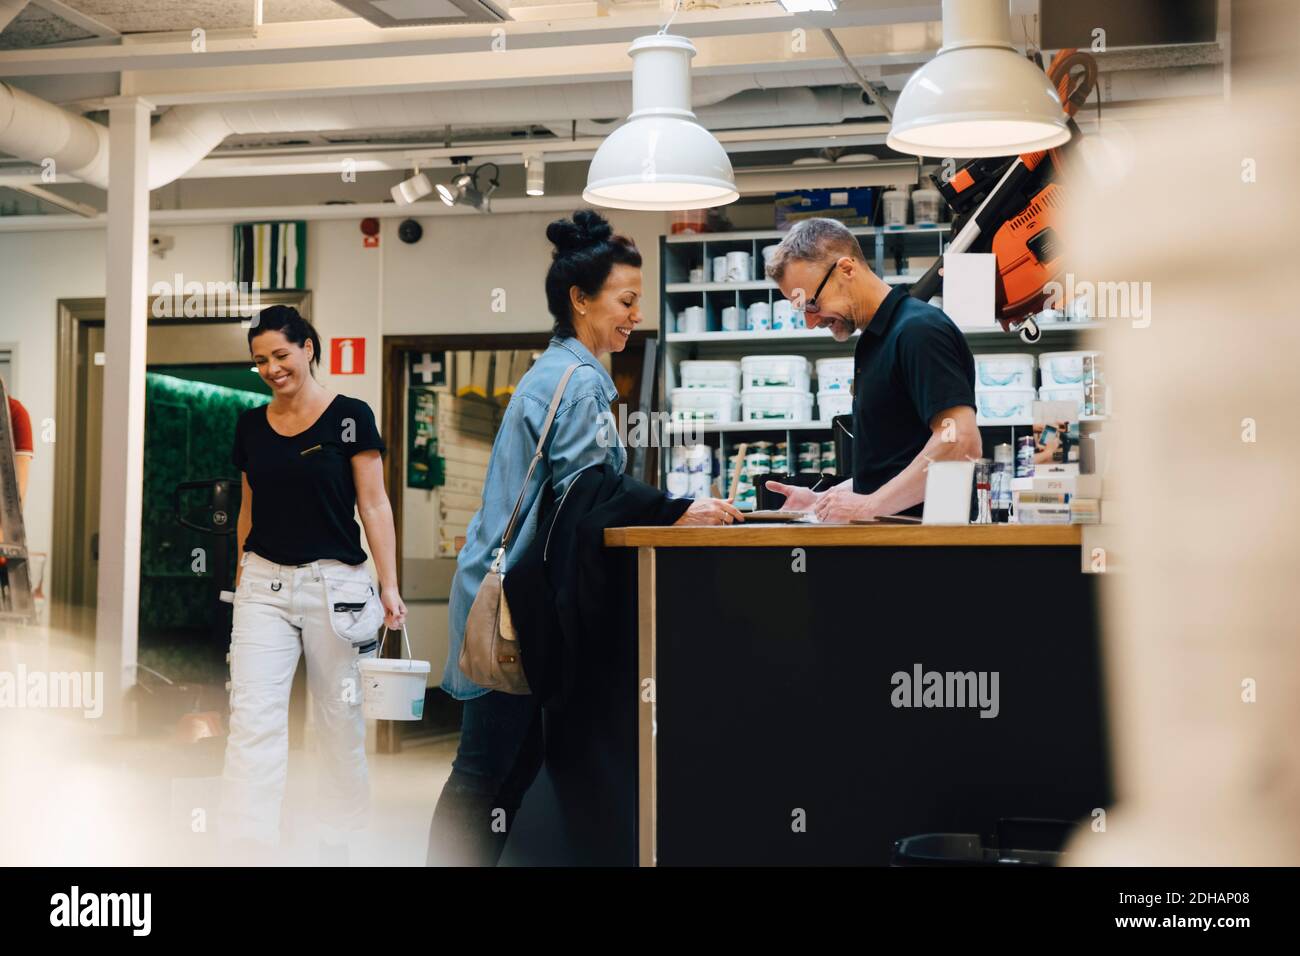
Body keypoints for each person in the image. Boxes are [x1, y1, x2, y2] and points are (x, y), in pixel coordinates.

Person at [428, 209, 742, 867]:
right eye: (626, 301)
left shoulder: (562, 372)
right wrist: (677, 509)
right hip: (513, 604)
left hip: (504, 587)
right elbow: (588, 492)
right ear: (579, 298)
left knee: (500, 771)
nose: (634, 315)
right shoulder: (576, 382)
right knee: (487, 770)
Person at [220, 305, 406, 865]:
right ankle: (248, 844)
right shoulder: (251, 424)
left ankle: (341, 839)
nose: (272, 368)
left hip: (339, 586)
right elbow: (248, 510)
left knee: (337, 719)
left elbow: (373, 504)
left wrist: (390, 586)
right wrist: (241, 577)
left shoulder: (349, 417)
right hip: (263, 586)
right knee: (252, 717)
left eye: (281, 354)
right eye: (260, 361)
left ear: (308, 348)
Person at [764, 218, 982, 519]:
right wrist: (824, 499)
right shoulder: (875, 341)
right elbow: (895, 464)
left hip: (931, 549)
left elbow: (961, 443)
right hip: (894, 545)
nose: (811, 322)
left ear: (847, 269)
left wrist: (868, 507)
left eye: (812, 304)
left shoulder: (918, 330)